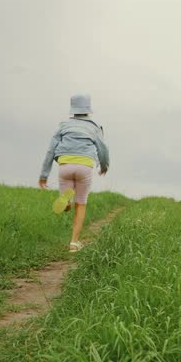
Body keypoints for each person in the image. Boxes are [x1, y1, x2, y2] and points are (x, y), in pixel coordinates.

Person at [39, 94, 110, 252]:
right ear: (88, 110)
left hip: (65, 165)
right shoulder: (94, 127)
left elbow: (50, 151)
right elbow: (102, 149)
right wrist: (104, 166)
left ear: (73, 110)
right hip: (84, 166)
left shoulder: (63, 126)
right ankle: (74, 243)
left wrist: (43, 176)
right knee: (81, 204)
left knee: (68, 200)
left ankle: (66, 203)